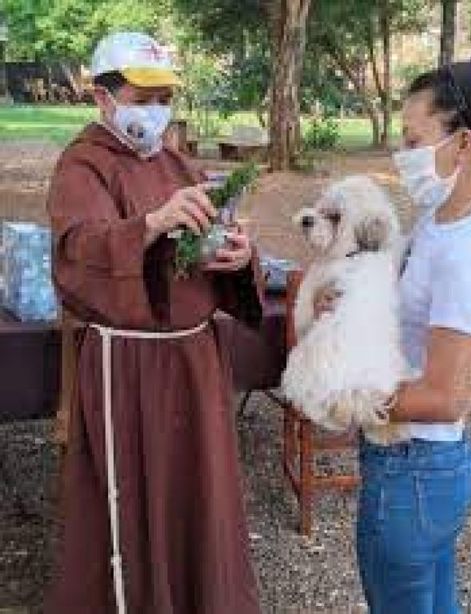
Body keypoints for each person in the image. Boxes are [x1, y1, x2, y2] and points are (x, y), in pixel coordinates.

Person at [45, 32, 262, 613]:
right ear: (103, 99)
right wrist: (149, 224)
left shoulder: (176, 160)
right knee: (132, 502)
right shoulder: (81, 164)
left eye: (164, 95)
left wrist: (239, 255)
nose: (156, 109)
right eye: (142, 96)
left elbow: (204, 248)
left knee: (199, 498)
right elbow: (78, 252)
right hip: (131, 368)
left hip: (194, 360)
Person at [317, 51, 471, 613]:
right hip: (416, 469)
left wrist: (345, 400)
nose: (403, 156)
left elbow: (444, 396)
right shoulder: (440, 221)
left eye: (414, 142)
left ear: (464, 143)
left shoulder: (467, 247)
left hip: (414, 470)